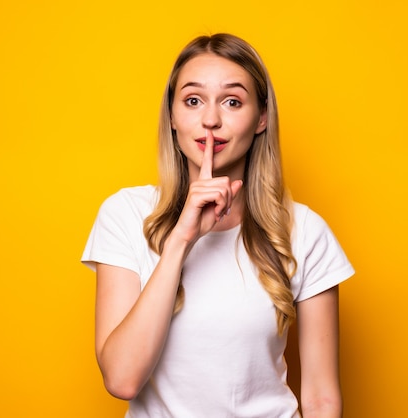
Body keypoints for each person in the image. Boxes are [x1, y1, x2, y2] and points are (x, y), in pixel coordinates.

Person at [81, 33, 354, 418]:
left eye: (232, 101)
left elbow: (322, 398)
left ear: (261, 118)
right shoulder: (125, 214)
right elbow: (122, 379)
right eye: (193, 101)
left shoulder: (305, 232)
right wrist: (182, 238)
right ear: (172, 117)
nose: (211, 120)